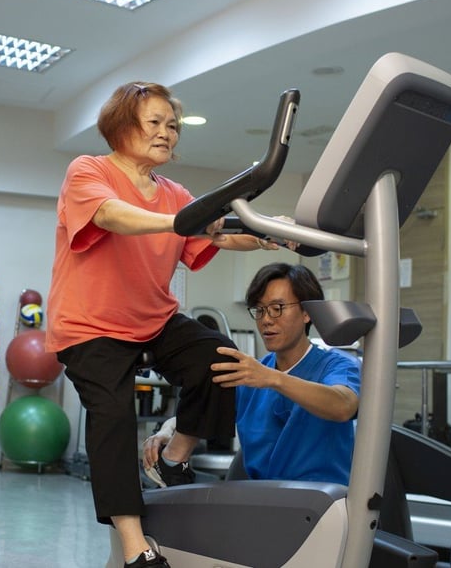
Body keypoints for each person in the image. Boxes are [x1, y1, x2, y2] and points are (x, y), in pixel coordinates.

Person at [45, 82, 288, 568]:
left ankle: (172, 459)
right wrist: (180, 221)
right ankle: (136, 546)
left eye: (171, 125)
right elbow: (112, 216)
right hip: (89, 325)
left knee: (221, 358)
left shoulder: (175, 194)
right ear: (121, 126)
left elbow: (216, 234)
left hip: (151, 320)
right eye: (153, 122)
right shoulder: (90, 170)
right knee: (112, 416)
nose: (166, 133)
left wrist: (267, 236)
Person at [143, 263, 361, 485]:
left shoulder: (337, 365)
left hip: (323, 501)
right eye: (260, 310)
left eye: (277, 308)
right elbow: (208, 408)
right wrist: (168, 430)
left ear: (307, 312)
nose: (266, 319)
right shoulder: (251, 374)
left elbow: (343, 406)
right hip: (262, 501)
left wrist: (274, 378)